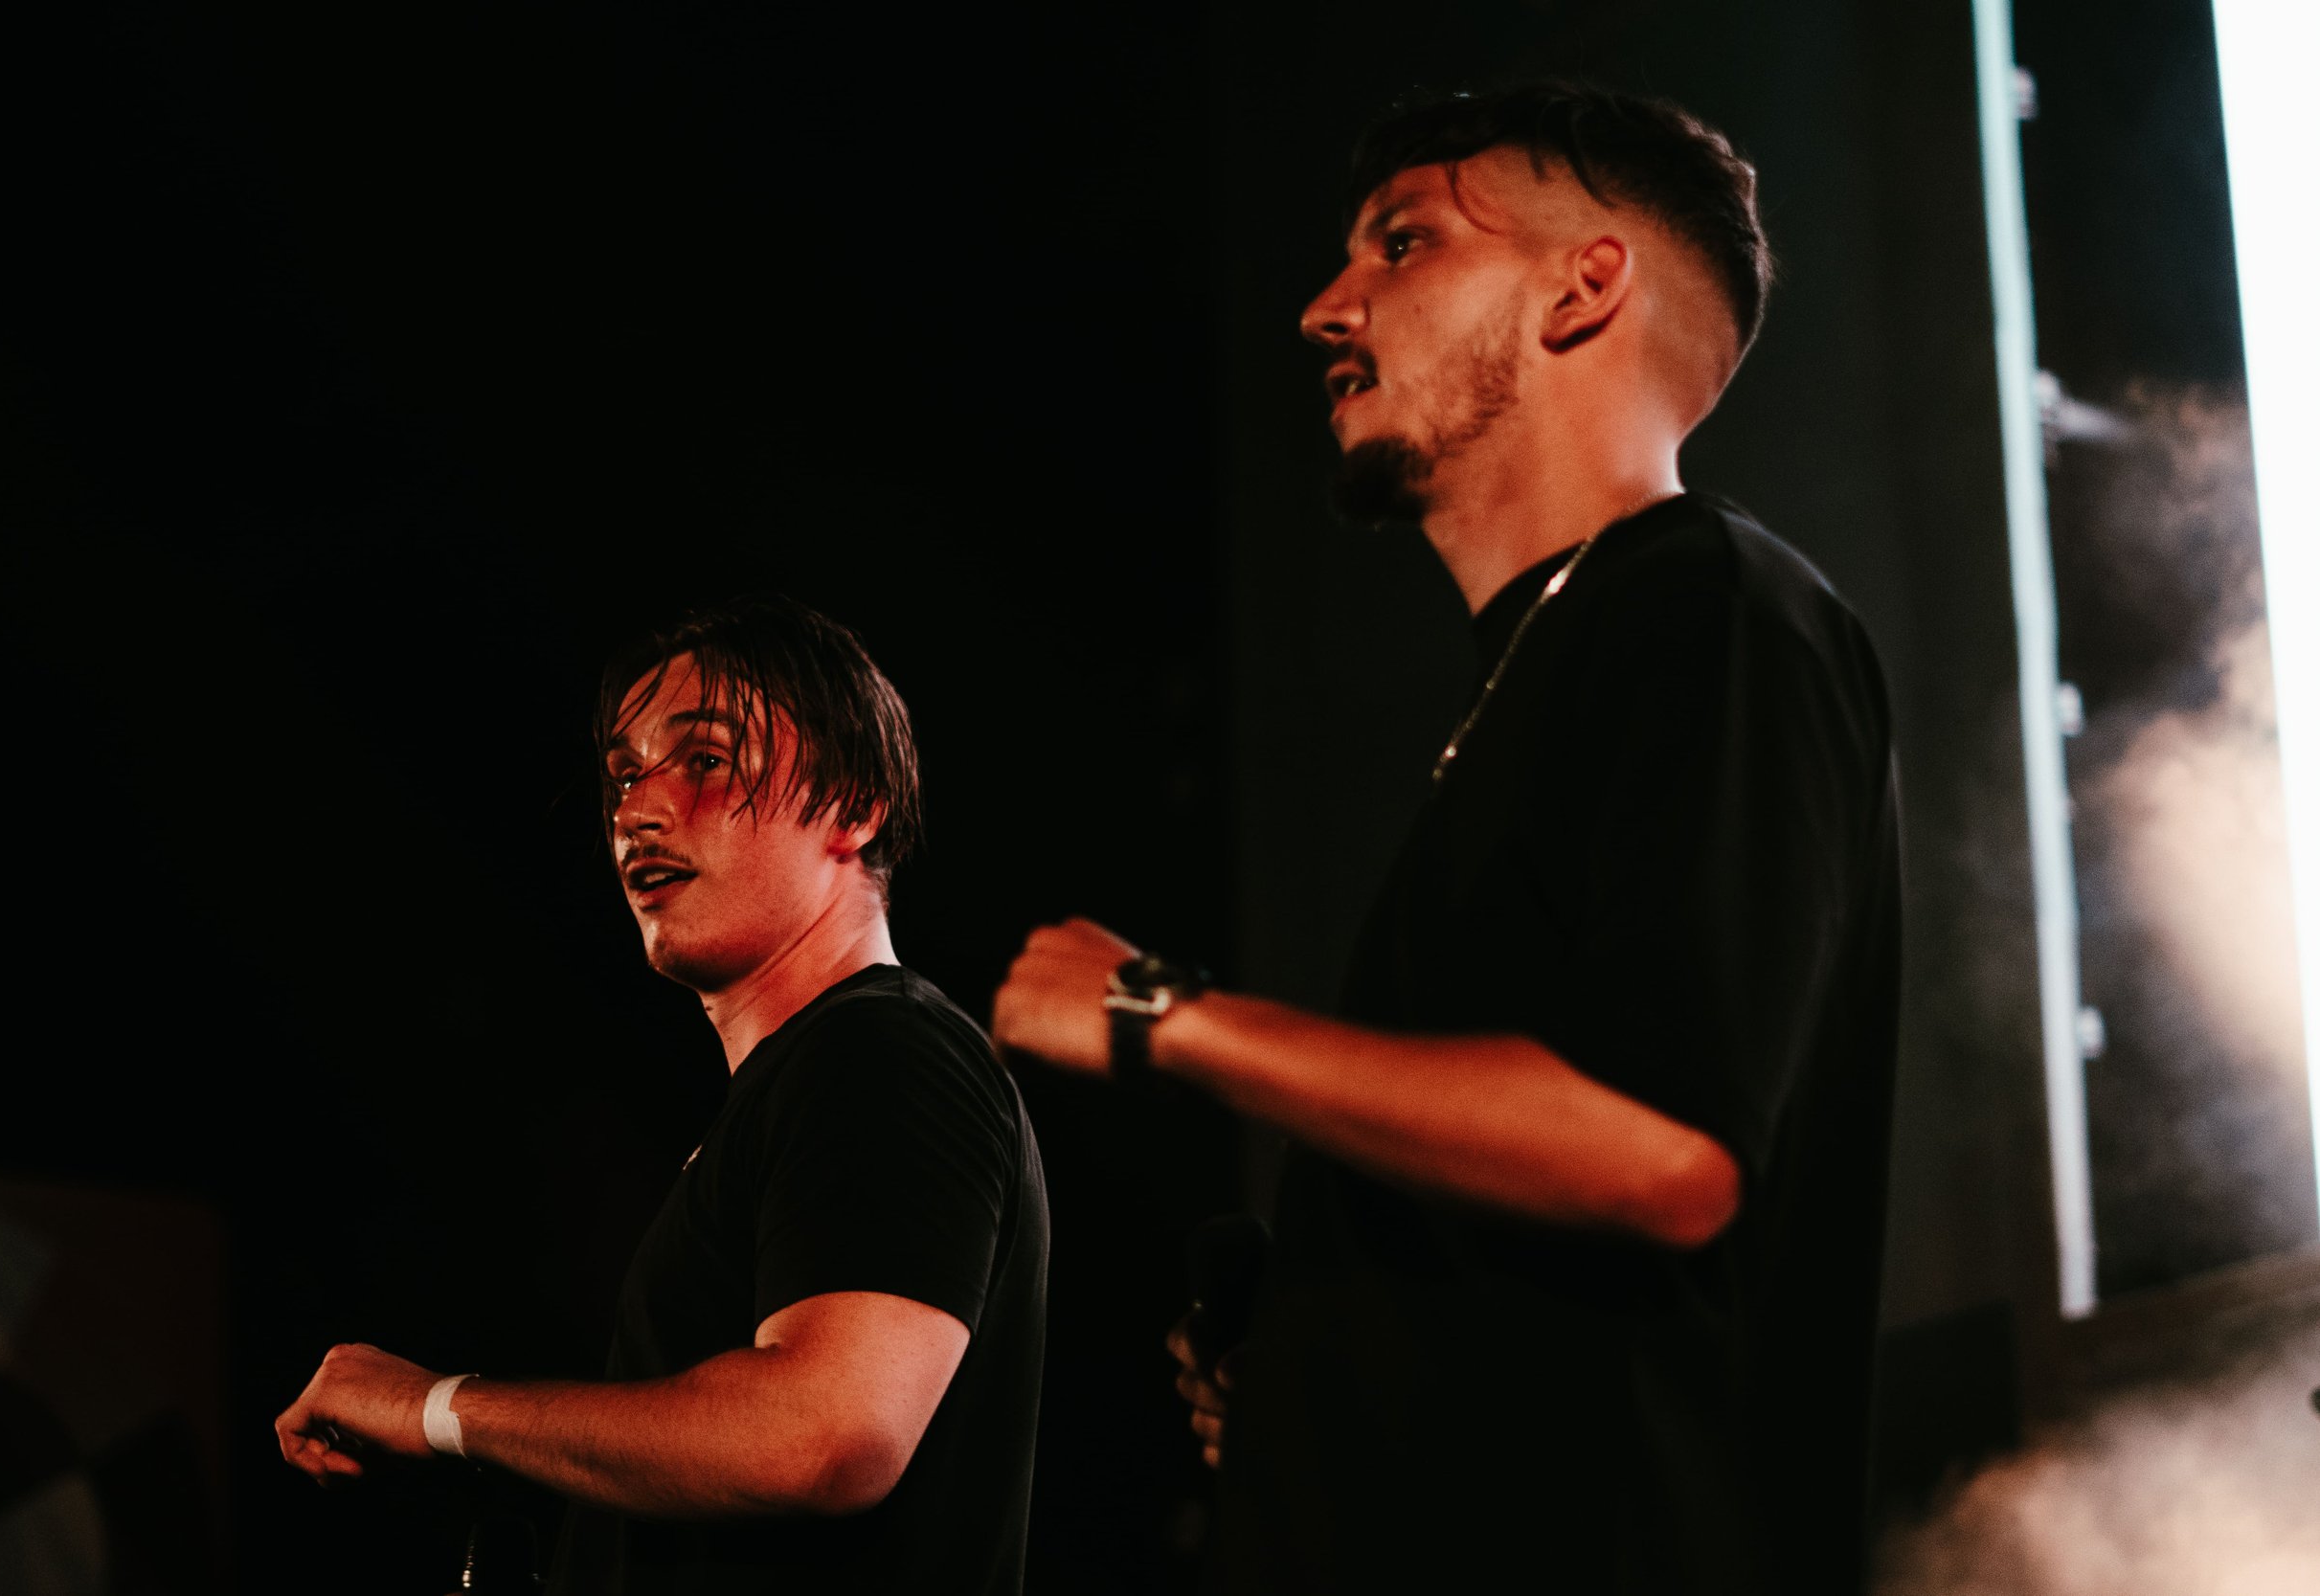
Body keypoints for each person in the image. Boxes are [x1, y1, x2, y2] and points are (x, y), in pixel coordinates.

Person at [992, 81, 1900, 1593]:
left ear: (1582, 287)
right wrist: (1317, 1376)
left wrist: (1163, 1010)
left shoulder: (1712, 609)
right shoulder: (1553, 665)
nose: (1324, 307)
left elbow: (1661, 1145)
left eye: (1401, 243)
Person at [277, 596, 1049, 1593]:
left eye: (706, 758)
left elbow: (826, 1434)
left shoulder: (884, 1050)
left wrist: (436, 1408)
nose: (636, 810)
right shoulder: (807, 1082)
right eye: (626, 774)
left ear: (855, 806)